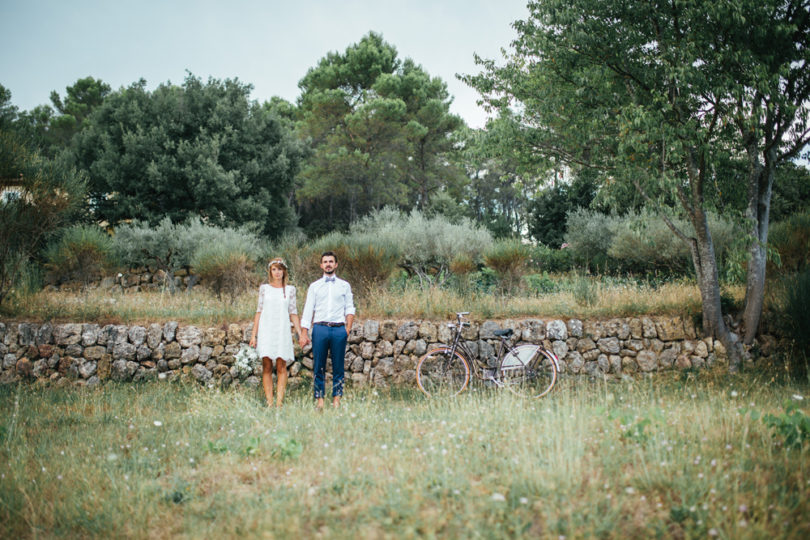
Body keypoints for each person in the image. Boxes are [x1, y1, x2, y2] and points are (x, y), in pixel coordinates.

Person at [299, 251, 355, 410]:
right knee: (319, 366)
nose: (328, 264)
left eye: (331, 261)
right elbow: (308, 309)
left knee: (338, 366)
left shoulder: (344, 285)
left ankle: (336, 400)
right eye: (325, 261)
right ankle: (320, 401)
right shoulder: (314, 286)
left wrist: (348, 329)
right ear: (321, 265)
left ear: (336, 264)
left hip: (338, 329)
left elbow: (350, 308)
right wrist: (304, 332)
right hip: (320, 329)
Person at [249, 258, 303, 408]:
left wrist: (300, 332)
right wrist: (254, 335)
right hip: (266, 329)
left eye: (280, 269)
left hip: (282, 330)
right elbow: (259, 311)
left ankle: (279, 403)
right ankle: (270, 403)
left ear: (284, 271)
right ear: (270, 272)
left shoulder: (290, 290)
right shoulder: (264, 289)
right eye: (274, 269)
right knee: (266, 365)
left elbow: (293, 312)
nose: (277, 272)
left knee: (281, 365)